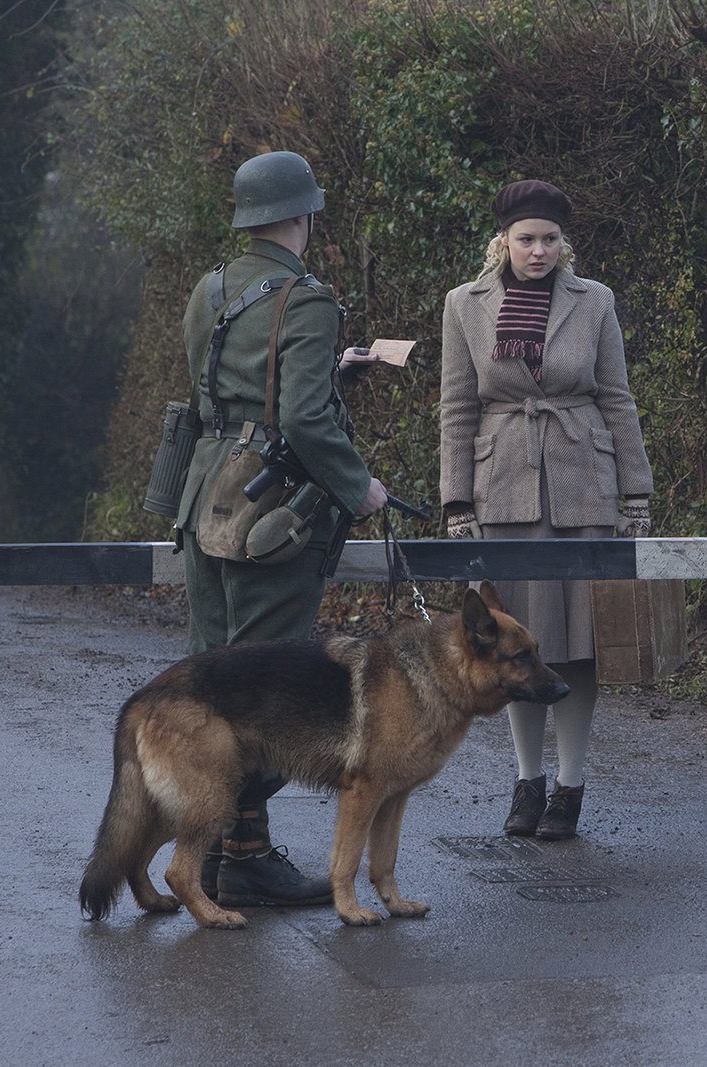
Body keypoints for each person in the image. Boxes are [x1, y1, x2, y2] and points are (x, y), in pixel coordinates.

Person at [174, 150, 389, 907]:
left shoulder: (210, 287)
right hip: (271, 509)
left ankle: (219, 849)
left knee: (212, 672)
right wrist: (357, 486)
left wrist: (333, 376)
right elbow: (296, 417)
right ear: (300, 216)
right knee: (262, 684)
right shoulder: (306, 299)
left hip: (204, 496)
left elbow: (223, 392)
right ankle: (234, 853)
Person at [438, 179, 654, 840]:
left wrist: (635, 497)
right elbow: (457, 407)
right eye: (527, 238)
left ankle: (571, 787)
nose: (538, 251)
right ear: (503, 240)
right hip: (501, 487)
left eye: (550, 239)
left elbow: (617, 399)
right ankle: (527, 782)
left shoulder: (596, 303)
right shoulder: (464, 305)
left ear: (565, 243)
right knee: (511, 647)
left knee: (578, 650)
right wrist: (456, 502)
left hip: (583, 484)